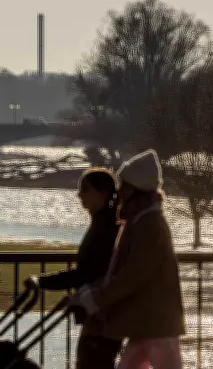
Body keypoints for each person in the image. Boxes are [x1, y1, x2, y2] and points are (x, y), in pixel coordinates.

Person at [71, 149, 185, 369]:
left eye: (124, 185)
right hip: (145, 323)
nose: (120, 190)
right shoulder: (140, 221)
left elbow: (132, 275)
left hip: (156, 324)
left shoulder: (149, 224)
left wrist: (94, 297)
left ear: (136, 188)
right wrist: (90, 294)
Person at [25, 168, 123, 369]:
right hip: (100, 312)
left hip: (102, 314)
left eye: (85, 190)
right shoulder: (103, 222)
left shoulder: (106, 227)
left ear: (102, 193)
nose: (79, 195)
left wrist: (44, 281)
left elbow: (87, 273)